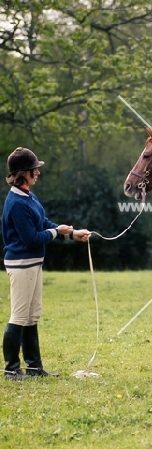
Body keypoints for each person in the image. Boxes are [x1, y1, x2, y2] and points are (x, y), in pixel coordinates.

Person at [2, 147, 91, 380]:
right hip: (21, 264)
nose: (38, 173)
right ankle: (11, 369)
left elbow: (44, 223)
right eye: (34, 170)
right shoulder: (17, 203)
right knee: (19, 316)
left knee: (32, 316)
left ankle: (34, 368)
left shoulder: (28, 195)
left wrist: (70, 233)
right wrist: (55, 232)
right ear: (23, 173)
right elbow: (32, 237)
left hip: (32, 264)